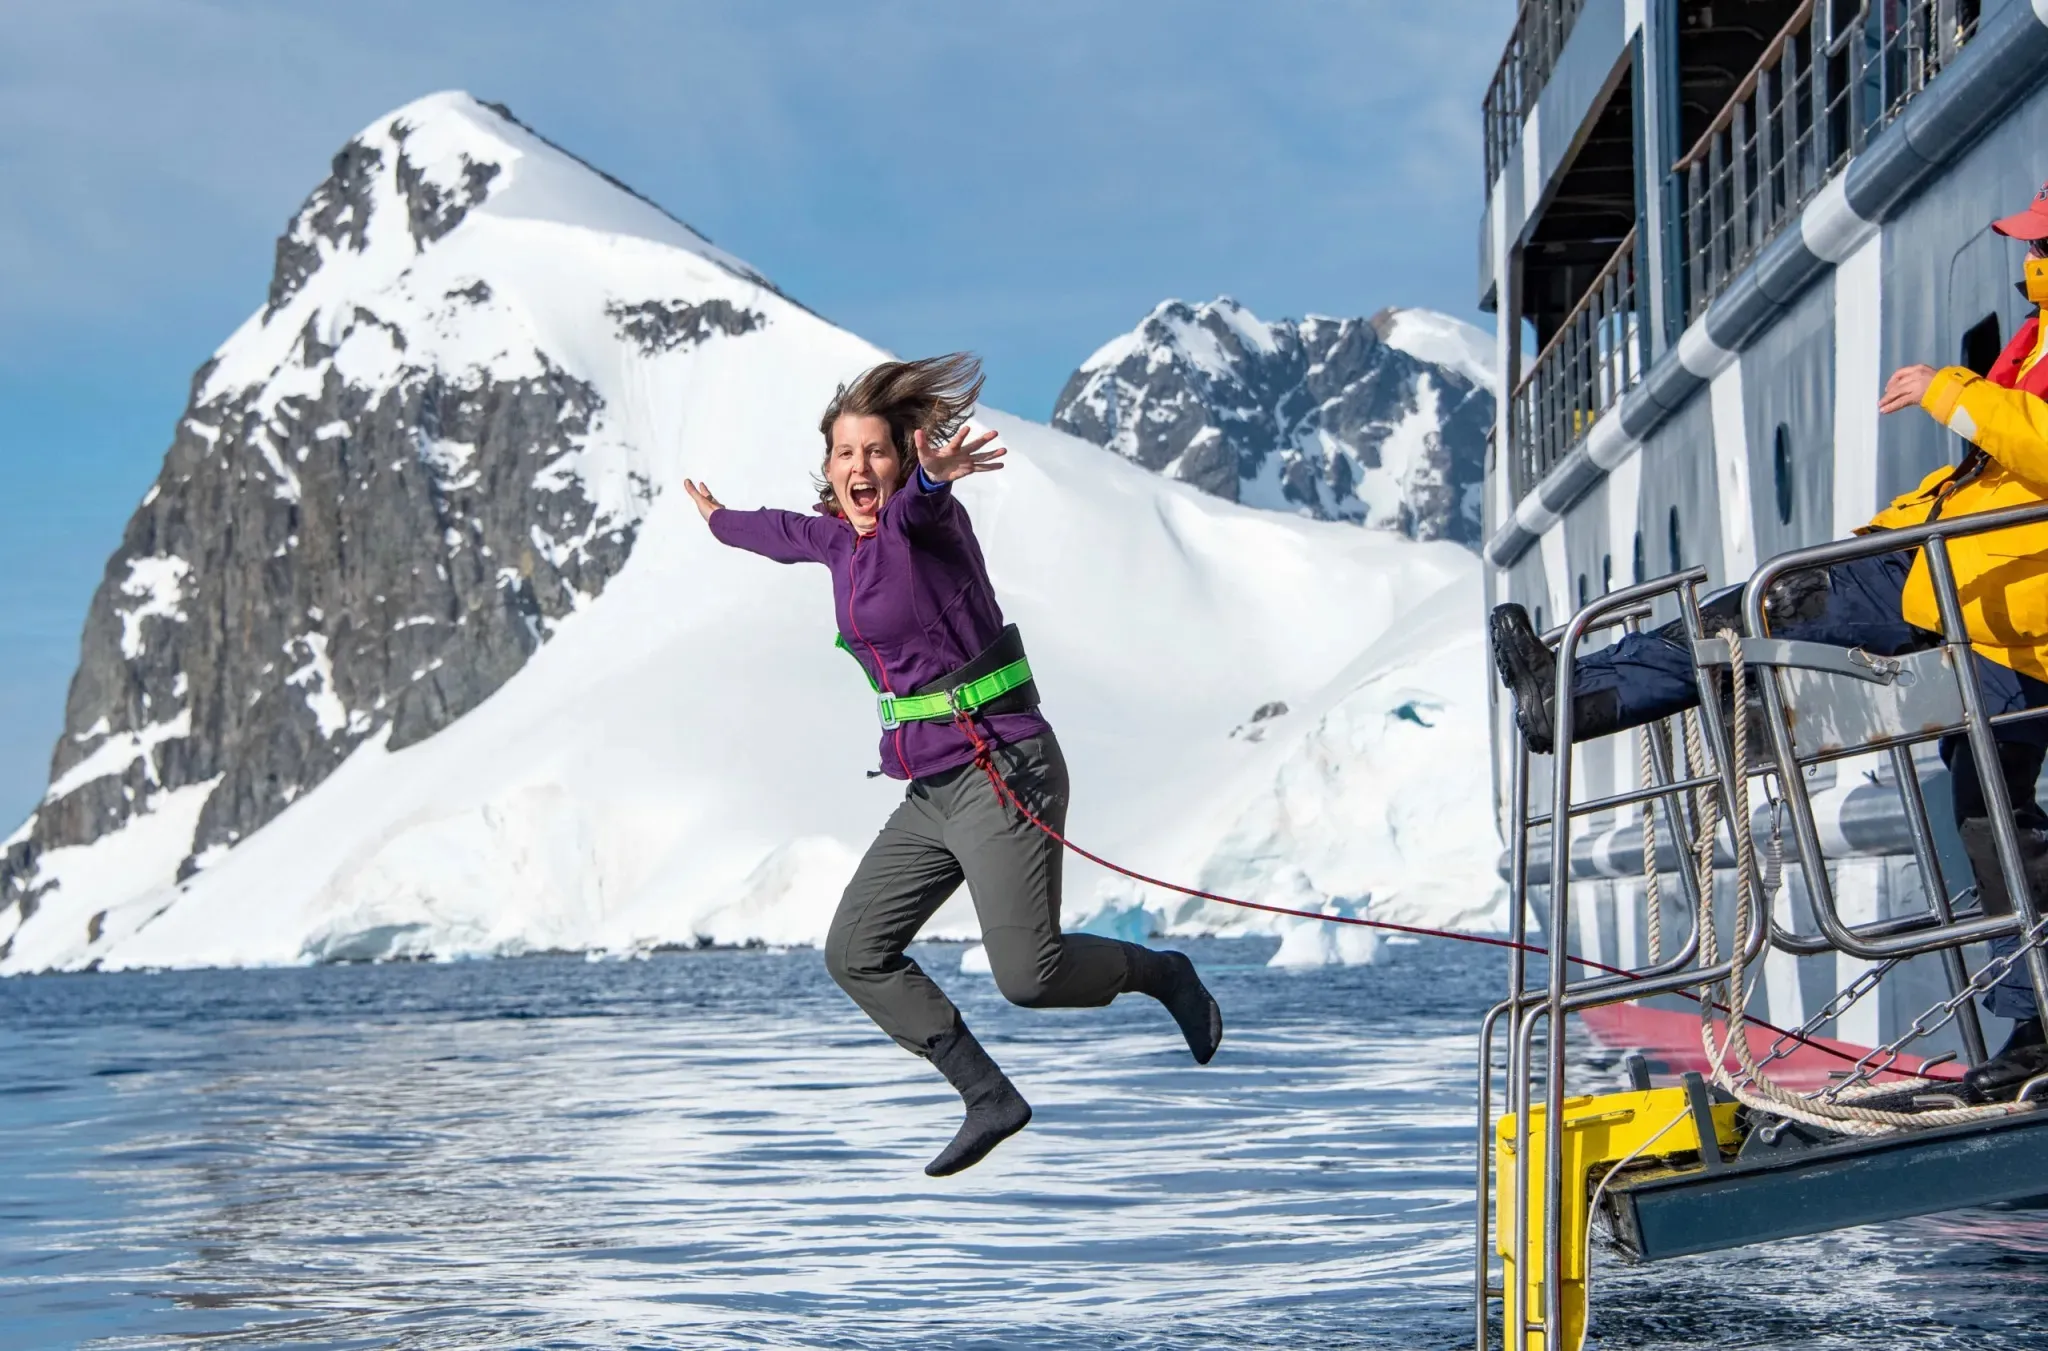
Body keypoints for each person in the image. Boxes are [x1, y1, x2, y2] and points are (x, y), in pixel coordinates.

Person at [1489, 181, 2048, 1099]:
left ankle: (1577, 693)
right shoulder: (2033, 341)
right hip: (1967, 587)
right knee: (1989, 806)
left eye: (2043, 248)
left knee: (1766, 614)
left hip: (1980, 592)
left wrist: (1954, 391)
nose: (2029, 264)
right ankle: (2037, 1033)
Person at [684, 353, 1223, 1176]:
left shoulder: (922, 524)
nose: (859, 468)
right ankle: (986, 1095)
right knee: (855, 950)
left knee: (1030, 977)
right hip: (933, 788)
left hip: (1003, 767)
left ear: (901, 457)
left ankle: (1163, 971)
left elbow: (922, 506)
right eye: (843, 454)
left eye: (876, 452)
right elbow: (777, 533)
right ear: (827, 468)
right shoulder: (837, 544)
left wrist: (932, 481)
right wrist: (719, 518)